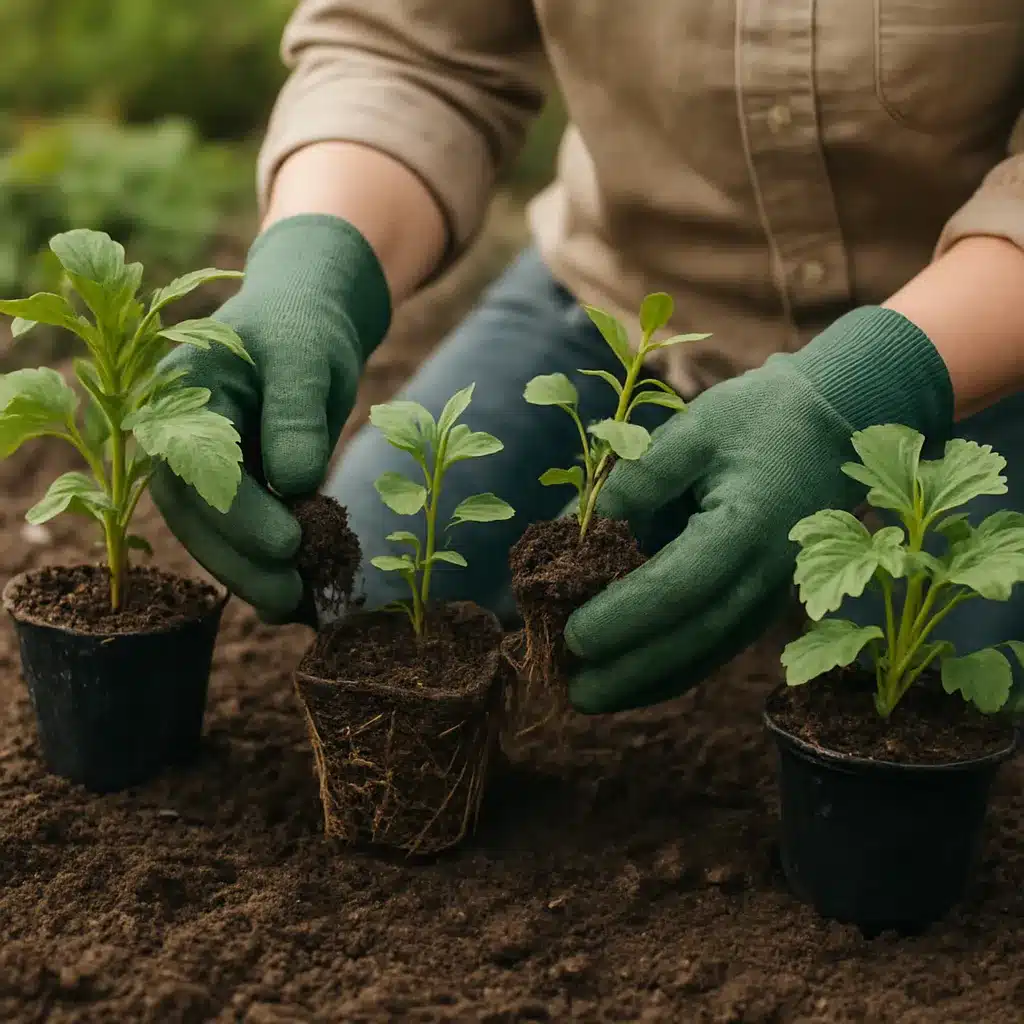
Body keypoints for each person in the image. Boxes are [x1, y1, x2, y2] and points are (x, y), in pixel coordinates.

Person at [152, 1, 1024, 715]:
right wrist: (315, 267)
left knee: (923, 704)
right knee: (373, 595)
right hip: (628, 313)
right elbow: (413, 51)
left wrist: (862, 390)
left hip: (975, 337)